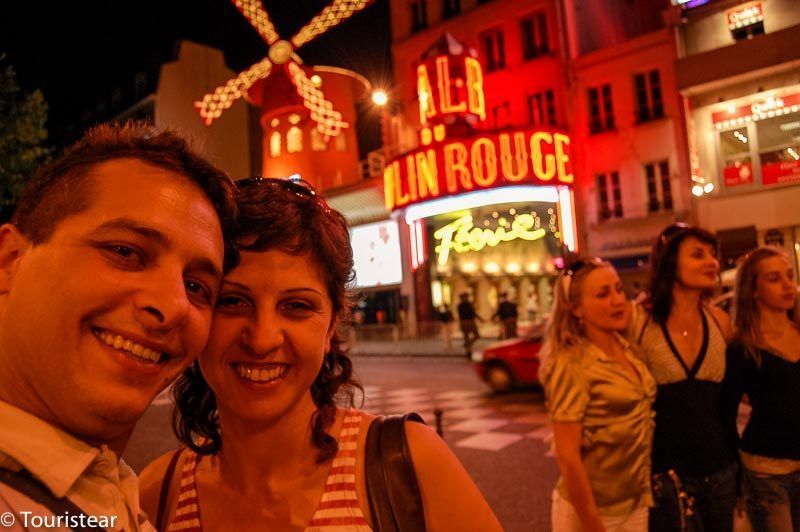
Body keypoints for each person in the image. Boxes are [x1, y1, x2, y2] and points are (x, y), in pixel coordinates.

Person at [139, 177, 502, 531]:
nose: (262, 339)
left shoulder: (408, 465)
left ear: (331, 327)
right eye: (232, 301)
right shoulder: (155, 494)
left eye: (296, 306)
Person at [0, 122, 237, 531]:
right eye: (125, 252)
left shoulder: (112, 481)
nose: (174, 305)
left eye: (197, 286)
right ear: (10, 262)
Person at [631, 223, 736, 531]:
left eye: (713, 255)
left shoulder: (720, 321)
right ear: (669, 262)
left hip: (721, 470)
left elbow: (730, 400)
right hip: (664, 474)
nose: (712, 262)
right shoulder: (639, 321)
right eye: (698, 254)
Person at [540, 257, 656, 532]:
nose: (618, 300)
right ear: (577, 308)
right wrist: (593, 525)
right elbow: (568, 457)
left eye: (618, 289)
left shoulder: (626, 347)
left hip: (636, 502)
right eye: (603, 294)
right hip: (592, 512)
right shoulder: (572, 363)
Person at [724, 247, 800, 532]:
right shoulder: (743, 348)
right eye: (774, 278)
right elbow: (726, 412)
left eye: (789, 276)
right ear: (753, 290)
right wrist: (736, 480)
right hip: (767, 470)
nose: (786, 284)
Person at [457, 292, 482, 356]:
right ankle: (468, 349)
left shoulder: (460, 305)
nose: (467, 298)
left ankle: (467, 345)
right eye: (466, 297)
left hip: (464, 322)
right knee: (474, 335)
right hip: (469, 322)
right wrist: (480, 319)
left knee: (467, 337)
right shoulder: (468, 304)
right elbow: (473, 313)